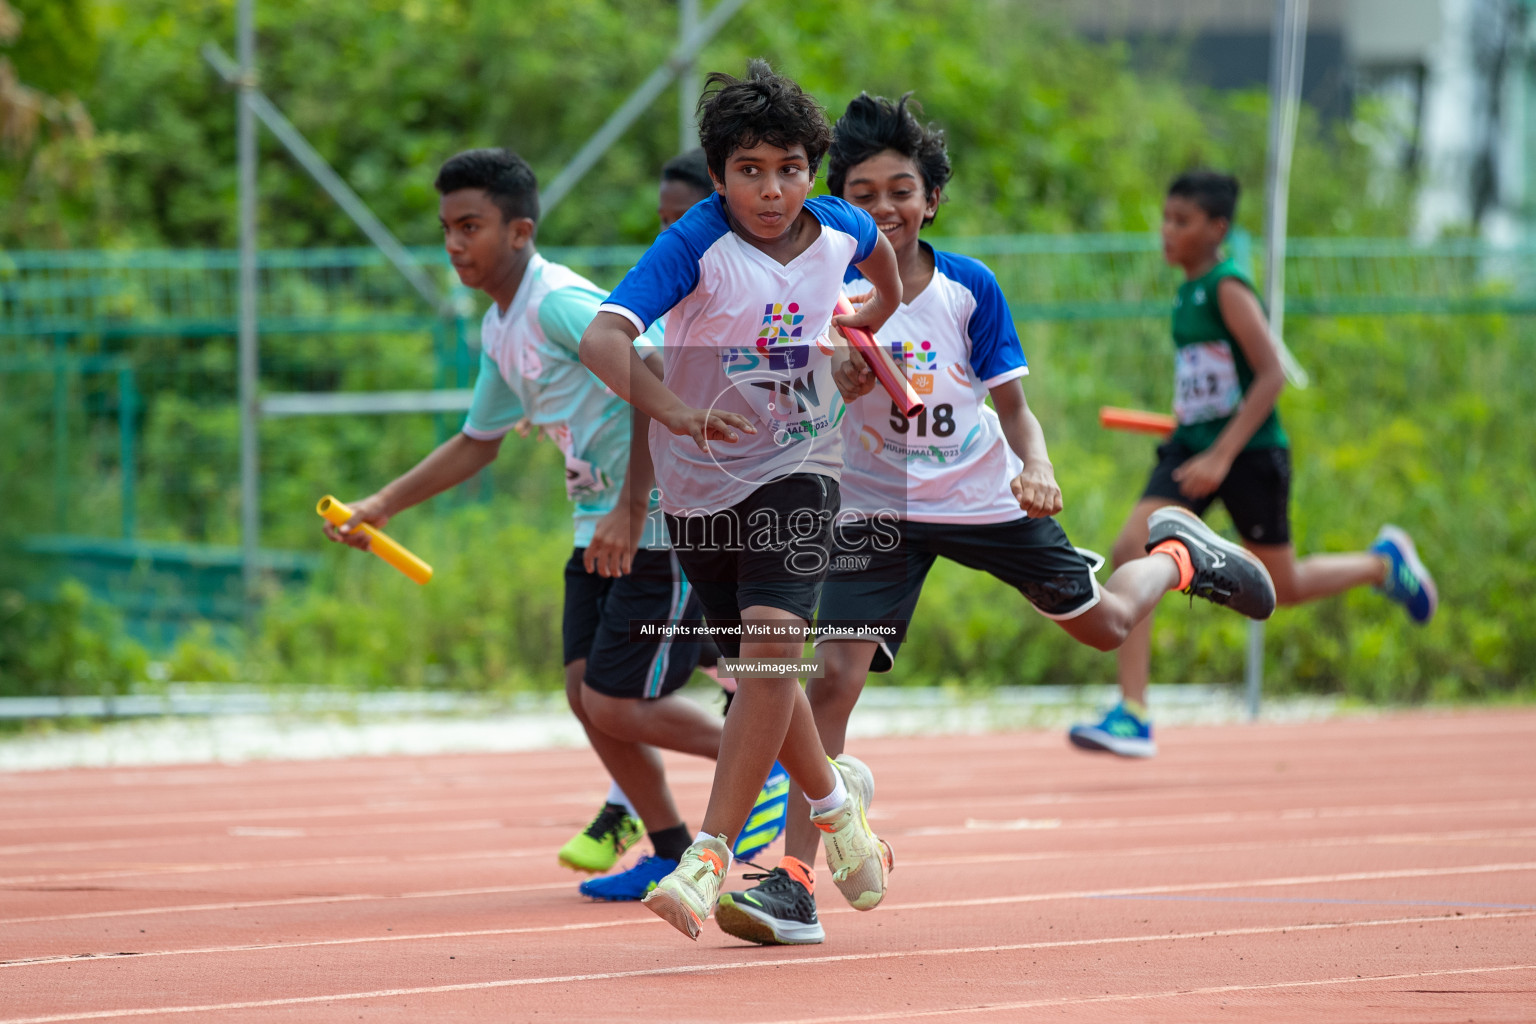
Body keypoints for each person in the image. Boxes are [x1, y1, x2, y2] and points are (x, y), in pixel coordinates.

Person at [711, 95, 1280, 946]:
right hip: (878, 512)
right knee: (831, 679)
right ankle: (792, 880)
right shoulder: (822, 286)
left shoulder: (970, 288)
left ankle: (1180, 558)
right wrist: (839, 383)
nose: (884, 210)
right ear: (838, 208)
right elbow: (794, 400)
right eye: (861, 195)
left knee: (1106, 625)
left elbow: (1016, 409)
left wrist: (1039, 469)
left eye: (900, 191)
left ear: (930, 198)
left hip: (986, 499)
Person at [323, 148, 780, 904]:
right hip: (595, 524)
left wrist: (633, 510)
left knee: (616, 700)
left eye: (471, 226)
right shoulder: (502, 327)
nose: (454, 244)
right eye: (446, 228)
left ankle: (768, 768)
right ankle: (667, 845)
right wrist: (382, 506)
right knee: (582, 693)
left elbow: (657, 371)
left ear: (521, 231)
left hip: (658, 523)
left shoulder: (557, 302)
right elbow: (478, 439)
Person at [580, 59, 902, 941]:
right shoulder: (692, 244)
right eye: (750, 171)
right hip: (699, 489)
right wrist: (675, 411)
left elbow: (889, 277)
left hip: (803, 465)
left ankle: (710, 853)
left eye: (790, 168)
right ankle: (840, 807)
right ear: (719, 175)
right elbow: (604, 337)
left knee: (771, 650)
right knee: (764, 673)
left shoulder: (838, 224)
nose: (772, 189)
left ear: (813, 169)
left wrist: (859, 327)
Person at [1068, 170, 1438, 759]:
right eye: (1165, 219)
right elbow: (1213, 376)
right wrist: (1195, 424)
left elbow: (1271, 376)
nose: (1167, 232)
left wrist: (1221, 453)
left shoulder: (1227, 287)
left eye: (1181, 222)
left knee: (1281, 587)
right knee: (1130, 546)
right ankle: (1132, 713)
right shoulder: (1186, 290)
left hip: (1248, 455)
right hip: (1191, 450)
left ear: (1218, 229)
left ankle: (1379, 564)